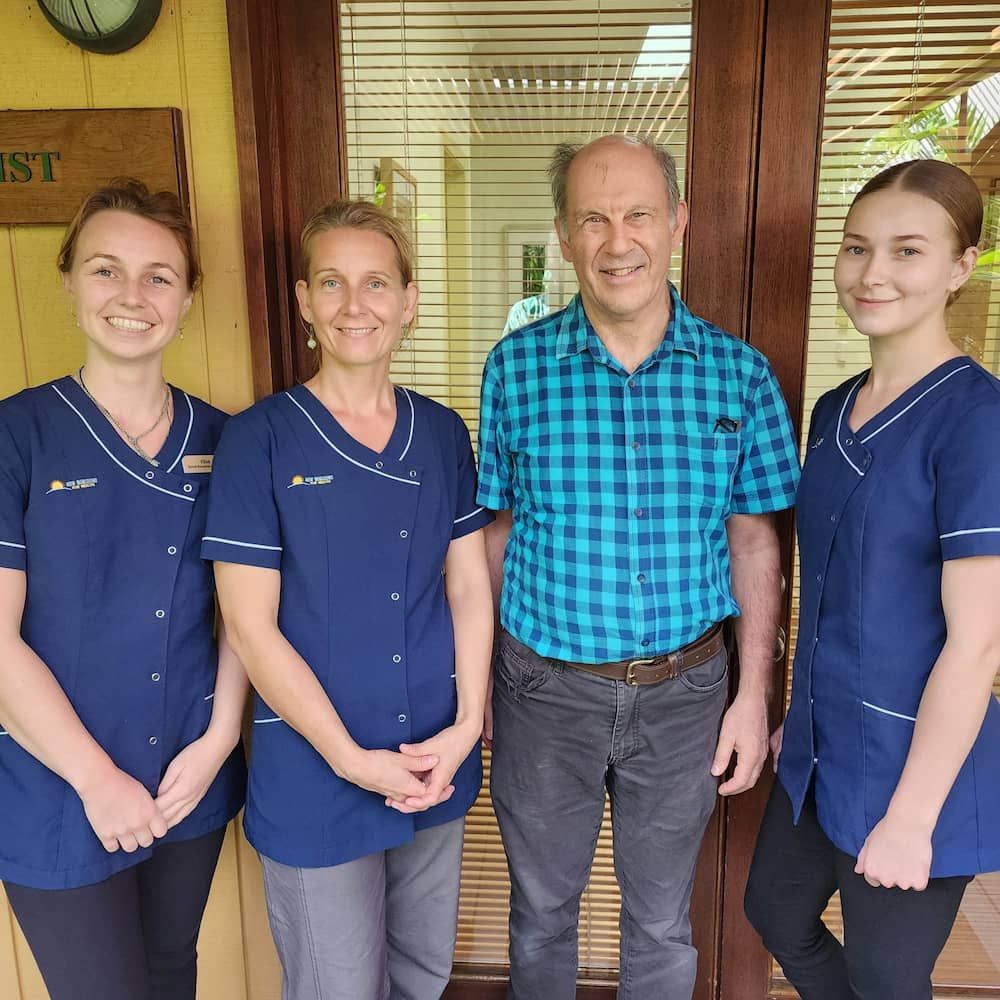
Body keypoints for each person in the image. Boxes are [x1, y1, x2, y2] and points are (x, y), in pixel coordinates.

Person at [478, 134, 801, 1000]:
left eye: (638, 214)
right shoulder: (516, 369)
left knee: (660, 923)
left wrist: (753, 693)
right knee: (541, 915)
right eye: (593, 218)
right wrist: (483, 687)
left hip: (688, 694)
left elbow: (756, 542)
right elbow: (495, 534)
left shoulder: (740, 376)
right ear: (565, 233)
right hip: (543, 691)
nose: (618, 241)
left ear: (679, 224)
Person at [205, 199, 494, 1000]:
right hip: (316, 773)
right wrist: (347, 758)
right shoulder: (259, 440)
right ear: (303, 301)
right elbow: (250, 627)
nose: (354, 305)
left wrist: (467, 724)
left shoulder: (441, 433)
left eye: (375, 283)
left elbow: (467, 582)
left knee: (422, 975)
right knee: (336, 985)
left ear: (408, 301)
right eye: (331, 283)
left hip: (432, 759)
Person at [744, 159, 1000, 999]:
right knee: (774, 912)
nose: (874, 273)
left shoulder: (976, 421)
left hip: (916, 763)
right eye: (858, 248)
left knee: (892, 980)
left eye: (907, 250)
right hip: (823, 752)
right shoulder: (832, 407)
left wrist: (913, 819)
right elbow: (827, 589)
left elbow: (977, 645)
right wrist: (795, 717)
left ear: (962, 266)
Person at [0, 179, 248, 1000]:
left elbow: (245, 621)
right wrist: (97, 780)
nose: (132, 297)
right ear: (69, 279)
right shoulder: (17, 438)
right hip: (55, 786)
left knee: (172, 972)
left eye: (159, 276)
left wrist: (214, 745)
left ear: (186, 299)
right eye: (107, 270)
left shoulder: (226, 441)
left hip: (186, 774)